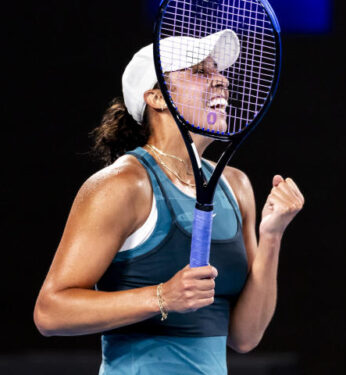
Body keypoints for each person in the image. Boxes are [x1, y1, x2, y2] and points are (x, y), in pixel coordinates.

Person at [33, 30, 304, 374]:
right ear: (157, 98)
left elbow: (245, 336)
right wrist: (162, 296)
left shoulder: (236, 186)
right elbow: (50, 312)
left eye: (219, 72)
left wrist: (273, 236)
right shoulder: (122, 185)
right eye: (200, 72)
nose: (221, 80)